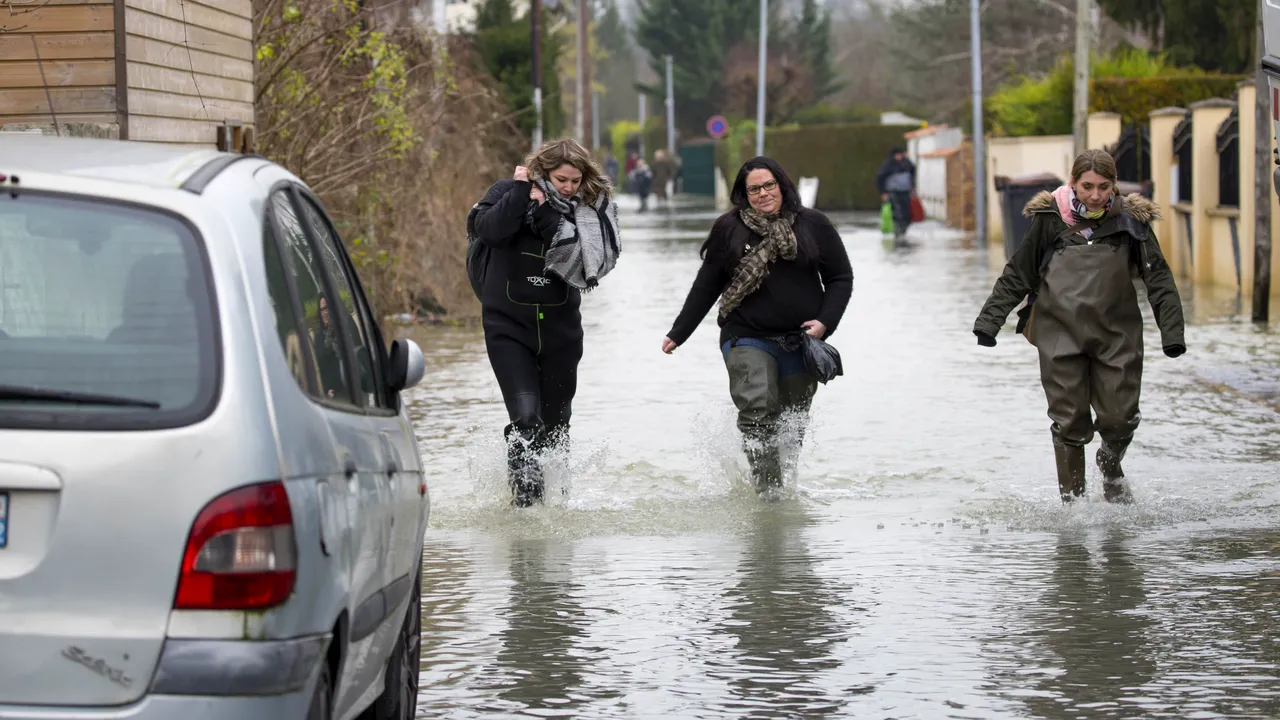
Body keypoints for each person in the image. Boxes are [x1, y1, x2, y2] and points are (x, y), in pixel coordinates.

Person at [972, 148, 1185, 505]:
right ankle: (1073, 505)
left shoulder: (1131, 221)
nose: (1096, 195)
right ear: (1073, 183)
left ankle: (1109, 461)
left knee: (1120, 418)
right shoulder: (1049, 218)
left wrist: (1172, 334)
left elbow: (1158, 279)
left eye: (1104, 186)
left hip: (1117, 336)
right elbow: (1019, 272)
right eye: (1087, 186)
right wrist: (989, 322)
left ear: (1114, 185)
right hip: (1059, 335)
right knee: (1069, 422)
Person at [661, 157, 854, 495]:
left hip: (800, 342)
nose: (763, 194)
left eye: (769, 186)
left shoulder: (813, 224)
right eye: (754, 189)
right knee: (758, 412)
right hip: (745, 337)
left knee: (790, 427)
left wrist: (825, 323)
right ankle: (768, 494)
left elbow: (840, 277)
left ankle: (780, 488)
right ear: (744, 194)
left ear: (782, 185)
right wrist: (679, 333)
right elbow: (707, 285)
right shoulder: (729, 228)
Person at [472, 138, 621, 507]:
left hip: (562, 335)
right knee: (525, 421)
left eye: (575, 180)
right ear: (543, 171)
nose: (568, 187)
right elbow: (489, 230)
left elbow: (593, 263)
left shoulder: (588, 212)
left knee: (556, 429)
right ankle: (526, 506)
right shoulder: (509, 191)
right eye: (561, 179)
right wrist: (522, 191)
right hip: (508, 330)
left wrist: (547, 213)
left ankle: (556, 503)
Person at [876, 147, 916, 239]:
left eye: (900, 154)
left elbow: (912, 175)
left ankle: (903, 229)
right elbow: (880, 178)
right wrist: (883, 192)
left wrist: (912, 187)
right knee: (897, 212)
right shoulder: (888, 165)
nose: (899, 156)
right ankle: (898, 231)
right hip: (893, 192)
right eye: (897, 155)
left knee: (907, 212)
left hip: (906, 191)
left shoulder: (908, 164)